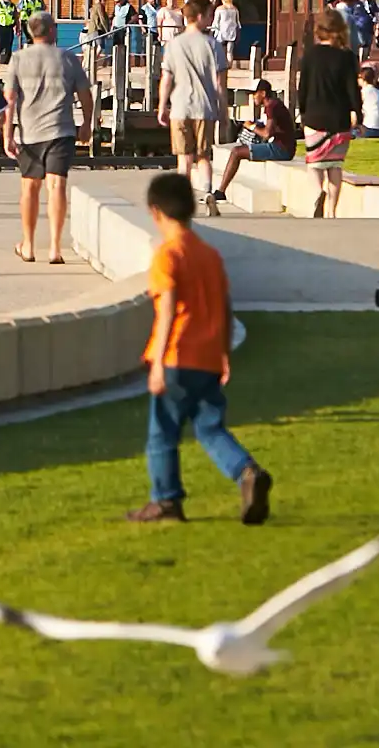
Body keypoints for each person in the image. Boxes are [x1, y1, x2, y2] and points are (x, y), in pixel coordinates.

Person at [128, 171, 271, 526]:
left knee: (161, 433)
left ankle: (165, 501)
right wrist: (223, 354)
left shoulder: (168, 255)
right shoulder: (209, 255)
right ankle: (246, 472)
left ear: (156, 212)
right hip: (208, 356)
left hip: (178, 356)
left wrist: (158, 362)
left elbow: (168, 309)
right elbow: (224, 306)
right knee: (210, 428)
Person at [5, 13, 92, 264]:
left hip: (29, 132)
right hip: (61, 130)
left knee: (29, 187)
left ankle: (29, 245)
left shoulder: (18, 58)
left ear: (30, 32)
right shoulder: (67, 58)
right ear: (52, 31)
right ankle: (55, 248)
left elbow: (9, 99)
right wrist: (87, 123)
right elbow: (85, 94)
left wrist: (7, 134)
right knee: (57, 186)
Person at [159, 2, 229, 213]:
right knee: (203, 156)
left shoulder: (174, 45)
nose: (210, 20)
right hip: (205, 108)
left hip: (180, 107)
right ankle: (207, 192)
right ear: (198, 16)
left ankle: (182, 199)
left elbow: (166, 78)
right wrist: (223, 111)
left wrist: (162, 105)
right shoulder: (213, 45)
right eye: (208, 15)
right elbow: (219, 84)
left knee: (184, 157)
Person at [295, 7, 361, 216]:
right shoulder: (347, 57)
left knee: (315, 165)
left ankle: (317, 194)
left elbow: (302, 88)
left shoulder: (310, 56)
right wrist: (357, 114)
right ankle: (332, 210)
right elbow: (353, 89)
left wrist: (302, 113)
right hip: (340, 119)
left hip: (314, 117)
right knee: (335, 166)